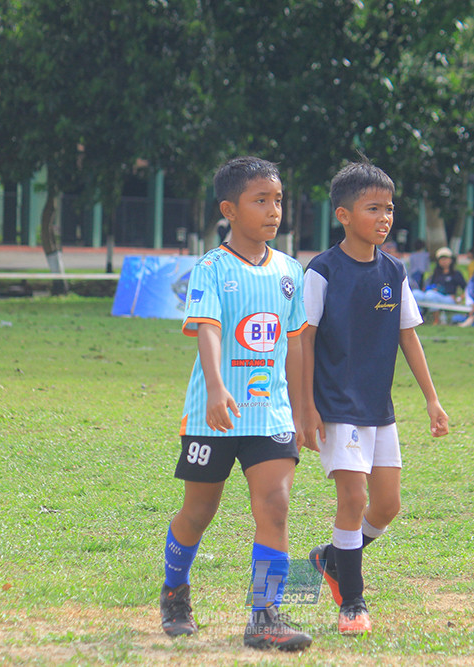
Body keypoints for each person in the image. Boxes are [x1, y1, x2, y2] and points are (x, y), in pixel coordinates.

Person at [159, 157, 313, 652]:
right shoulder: (211, 267)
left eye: (278, 199)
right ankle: (175, 591)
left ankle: (265, 615)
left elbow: (297, 345)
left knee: (276, 505)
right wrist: (217, 385)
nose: (273, 210)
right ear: (229, 209)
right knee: (198, 511)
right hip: (215, 410)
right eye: (260, 200)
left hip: (269, 413)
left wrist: (305, 409)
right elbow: (208, 327)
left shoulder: (291, 271)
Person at [301, 160, 449, 635]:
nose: (384, 218)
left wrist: (431, 399)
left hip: (379, 409)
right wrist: (305, 406)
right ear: (343, 215)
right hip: (336, 405)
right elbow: (302, 340)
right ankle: (353, 605)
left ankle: (330, 558)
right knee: (354, 496)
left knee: (386, 507)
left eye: (389, 209)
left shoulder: (395, 270)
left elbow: (408, 335)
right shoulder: (321, 271)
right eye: (373, 209)